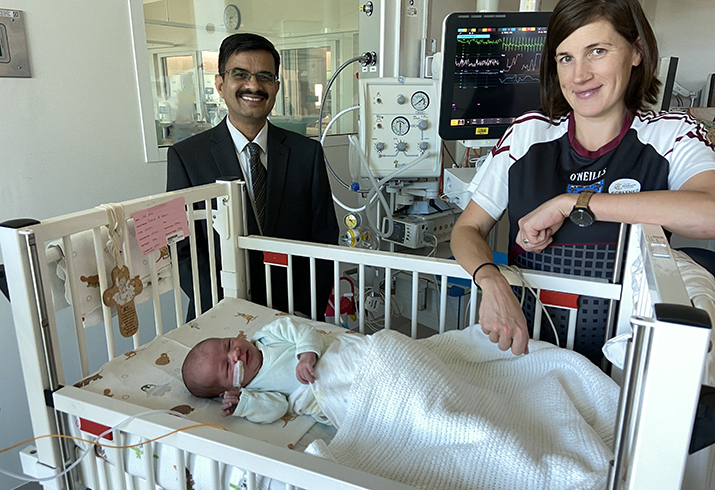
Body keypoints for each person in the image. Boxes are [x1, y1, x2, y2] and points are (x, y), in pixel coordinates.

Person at [451, 0, 715, 360]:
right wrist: (490, 279)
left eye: (597, 51)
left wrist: (573, 203)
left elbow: (709, 213)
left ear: (636, 50)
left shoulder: (671, 135)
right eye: (566, 58)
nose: (579, 76)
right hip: (526, 349)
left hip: (623, 360)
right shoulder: (527, 135)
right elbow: (467, 229)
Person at [167, 33, 339, 322]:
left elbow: (323, 239)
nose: (253, 86)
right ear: (220, 84)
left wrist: (307, 312)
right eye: (240, 74)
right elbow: (183, 250)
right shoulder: (186, 157)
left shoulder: (306, 153)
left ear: (277, 87)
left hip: (293, 313)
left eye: (264, 77)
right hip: (218, 315)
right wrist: (223, 309)